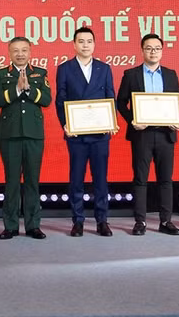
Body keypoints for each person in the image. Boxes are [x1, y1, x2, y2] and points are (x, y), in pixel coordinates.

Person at [116, 33, 179, 236]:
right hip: (142, 135)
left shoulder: (171, 74)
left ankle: (166, 221)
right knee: (140, 179)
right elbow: (121, 102)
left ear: (162, 51)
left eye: (157, 48)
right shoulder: (131, 74)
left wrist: (177, 119)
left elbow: (178, 101)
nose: (153, 52)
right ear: (142, 50)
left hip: (165, 134)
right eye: (148, 48)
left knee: (165, 179)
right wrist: (132, 121)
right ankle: (140, 221)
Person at [55, 26, 117, 237]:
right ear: (74, 44)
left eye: (89, 41)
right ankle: (78, 220)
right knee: (77, 179)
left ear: (94, 44)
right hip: (76, 134)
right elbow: (61, 100)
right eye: (81, 41)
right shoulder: (64, 68)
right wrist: (66, 124)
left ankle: (102, 221)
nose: (85, 45)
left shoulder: (104, 68)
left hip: (100, 134)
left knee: (101, 179)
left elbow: (111, 98)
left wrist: (111, 120)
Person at [0, 37, 51, 240]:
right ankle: (11, 226)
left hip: (34, 134)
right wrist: (16, 89)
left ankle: (34, 225)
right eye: (15, 50)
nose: (20, 54)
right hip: (10, 134)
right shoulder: (0, 74)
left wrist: (29, 89)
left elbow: (46, 99)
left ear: (30, 52)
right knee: (12, 182)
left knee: (33, 181)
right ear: (9, 53)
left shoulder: (40, 73)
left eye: (24, 50)